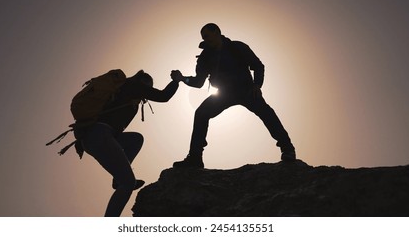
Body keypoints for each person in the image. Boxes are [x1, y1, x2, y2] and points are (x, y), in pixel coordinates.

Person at [171, 23, 296, 168]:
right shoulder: (205, 56)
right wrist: (182, 79)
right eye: (203, 38)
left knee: (266, 113)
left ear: (217, 32)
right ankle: (195, 158)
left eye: (207, 36)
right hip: (223, 94)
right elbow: (199, 82)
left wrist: (257, 85)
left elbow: (258, 65)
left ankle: (287, 149)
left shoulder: (237, 47)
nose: (205, 40)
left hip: (246, 90)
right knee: (201, 113)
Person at [75, 70, 180, 216]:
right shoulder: (134, 86)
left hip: (96, 136)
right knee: (128, 183)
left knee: (136, 139)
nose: (147, 92)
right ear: (143, 82)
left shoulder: (122, 90)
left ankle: (118, 180)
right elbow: (163, 96)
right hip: (100, 134)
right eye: (149, 87)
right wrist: (176, 80)